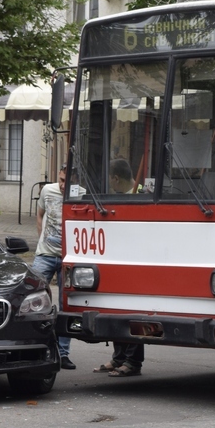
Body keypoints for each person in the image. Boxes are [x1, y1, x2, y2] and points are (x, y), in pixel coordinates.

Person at [95, 158, 145, 377]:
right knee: (116, 310)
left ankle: (133, 361)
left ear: (116, 178)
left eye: (110, 179)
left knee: (133, 313)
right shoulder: (117, 195)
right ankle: (118, 358)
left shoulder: (142, 195)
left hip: (135, 261)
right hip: (116, 259)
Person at [33, 168, 77, 369]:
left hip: (68, 257)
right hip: (45, 254)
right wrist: (41, 239)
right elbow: (39, 215)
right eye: (60, 180)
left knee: (66, 304)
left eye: (66, 182)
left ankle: (63, 353)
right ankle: (34, 347)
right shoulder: (47, 191)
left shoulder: (81, 193)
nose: (62, 185)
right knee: (33, 298)